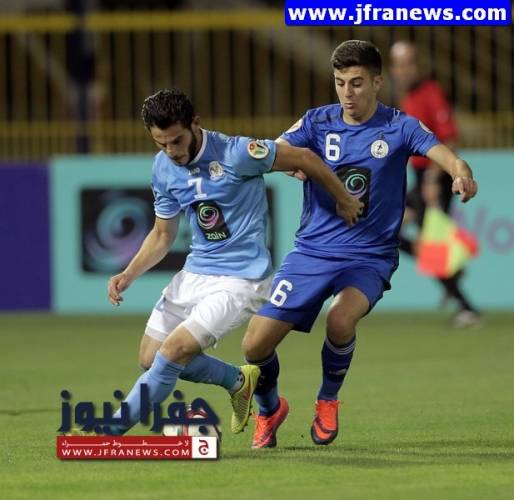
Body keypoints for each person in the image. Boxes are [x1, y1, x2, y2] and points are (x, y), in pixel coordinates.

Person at [241, 40, 478, 449]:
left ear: (377, 82)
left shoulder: (400, 126)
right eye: (340, 83)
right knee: (253, 344)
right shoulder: (316, 121)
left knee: (340, 320)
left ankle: (327, 400)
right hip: (312, 252)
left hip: (369, 256)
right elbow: (277, 150)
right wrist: (286, 160)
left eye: (356, 83)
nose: (347, 93)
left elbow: (447, 155)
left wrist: (461, 173)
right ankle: (269, 409)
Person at [104, 89, 362, 436]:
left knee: (173, 352)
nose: (171, 151)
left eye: (177, 141)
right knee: (149, 358)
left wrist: (344, 199)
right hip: (195, 273)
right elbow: (163, 234)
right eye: (161, 143)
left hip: (240, 279)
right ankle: (238, 380)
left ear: (195, 123)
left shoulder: (237, 153)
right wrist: (129, 273)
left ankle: (109, 432)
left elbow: (304, 157)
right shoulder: (163, 168)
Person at [389, 40, 480, 327]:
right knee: (390, 230)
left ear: (418, 66)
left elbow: (450, 138)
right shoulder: (409, 96)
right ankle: (453, 274)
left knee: (430, 247)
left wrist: (431, 180)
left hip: (436, 178)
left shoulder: (430, 92)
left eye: (408, 64)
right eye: (398, 65)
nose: (403, 70)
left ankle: (467, 308)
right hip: (419, 179)